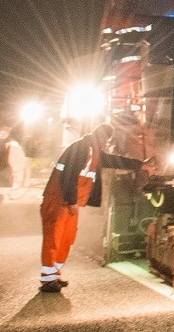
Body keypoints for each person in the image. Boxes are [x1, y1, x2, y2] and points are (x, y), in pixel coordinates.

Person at [38, 124, 143, 293]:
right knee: (54, 238)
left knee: (66, 238)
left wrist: (140, 165)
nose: (106, 145)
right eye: (106, 141)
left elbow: (113, 160)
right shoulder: (81, 148)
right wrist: (72, 201)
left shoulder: (92, 150)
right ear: (102, 138)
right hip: (58, 200)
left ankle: (54, 275)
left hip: (68, 202)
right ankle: (48, 279)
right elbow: (69, 176)